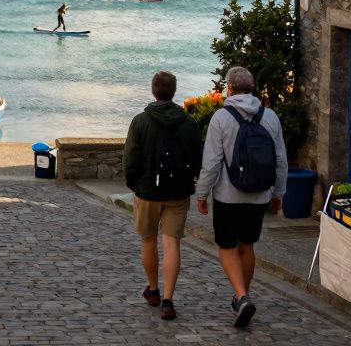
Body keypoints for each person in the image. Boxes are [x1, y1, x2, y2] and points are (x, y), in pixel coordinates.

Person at [195, 66, 288, 329]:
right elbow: (280, 159)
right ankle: (242, 297)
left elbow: (211, 162)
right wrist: (278, 193)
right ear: (252, 88)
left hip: (227, 194)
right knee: (247, 245)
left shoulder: (221, 118)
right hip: (259, 195)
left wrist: (201, 193)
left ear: (230, 89)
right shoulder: (270, 117)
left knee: (227, 246)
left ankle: (242, 296)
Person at [123, 71, 202, 321]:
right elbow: (197, 158)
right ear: (174, 91)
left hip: (147, 191)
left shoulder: (140, 121)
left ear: (153, 91)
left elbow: (130, 159)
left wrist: (134, 184)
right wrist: (191, 180)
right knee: (172, 244)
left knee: (148, 240)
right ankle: (168, 299)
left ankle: (153, 289)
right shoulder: (189, 123)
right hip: (178, 192)